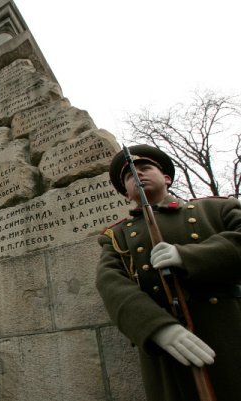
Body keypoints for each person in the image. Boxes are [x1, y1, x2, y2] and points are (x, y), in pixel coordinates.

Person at [95, 144, 241, 401]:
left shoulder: (216, 209)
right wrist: (155, 327)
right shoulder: (117, 236)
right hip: (167, 349)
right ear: (126, 194)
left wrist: (187, 256)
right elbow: (110, 282)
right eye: (129, 176)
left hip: (229, 329)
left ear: (166, 178)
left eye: (145, 168)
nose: (137, 175)